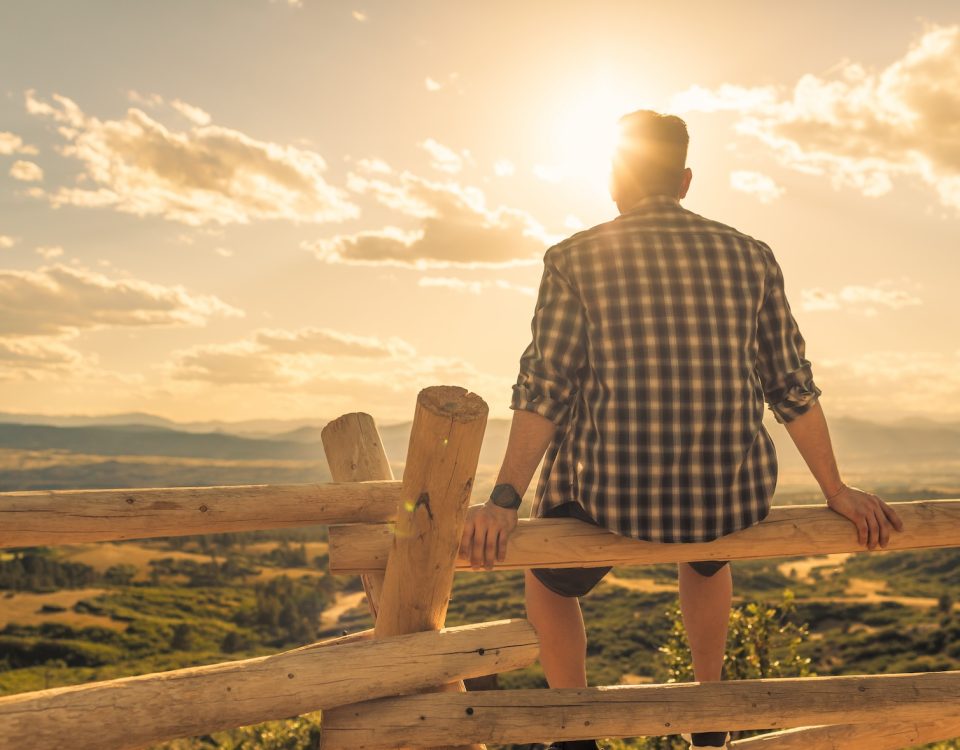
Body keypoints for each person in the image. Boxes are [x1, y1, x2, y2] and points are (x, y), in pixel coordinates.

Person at [458, 109, 905, 750]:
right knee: (704, 558)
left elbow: (545, 388)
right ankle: (708, 711)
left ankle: (577, 729)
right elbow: (791, 386)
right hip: (725, 496)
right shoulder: (752, 256)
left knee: (548, 580)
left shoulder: (573, 258)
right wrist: (836, 490)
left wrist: (503, 500)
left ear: (614, 179)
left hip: (609, 497)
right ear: (686, 180)